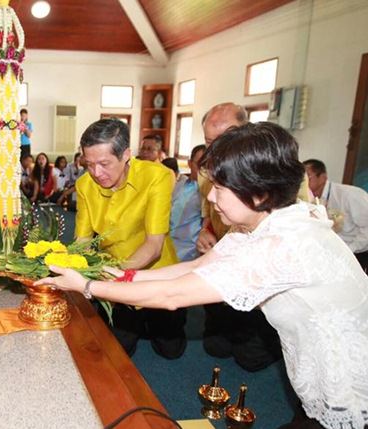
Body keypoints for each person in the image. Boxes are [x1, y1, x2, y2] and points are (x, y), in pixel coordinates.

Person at [39, 122, 368, 429]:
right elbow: (195, 267)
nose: (209, 197)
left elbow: (173, 296)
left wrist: (87, 285)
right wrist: (117, 275)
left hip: (349, 379)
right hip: (318, 365)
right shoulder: (266, 224)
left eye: (221, 188)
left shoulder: (282, 245)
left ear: (259, 193)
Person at [75, 118, 185, 359]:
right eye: (89, 164)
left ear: (126, 154)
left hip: (155, 271)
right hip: (114, 272)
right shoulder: (84, 185)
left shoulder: (156, 176)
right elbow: (83, 241)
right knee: (116, 350)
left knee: (170, 351)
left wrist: (113, 276)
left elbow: (154, 246)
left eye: (104, 163)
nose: (96, 173)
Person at [195, 102, 284, 371]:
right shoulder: (206, 172)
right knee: (215, 346)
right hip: (225, 254)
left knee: (251, 359)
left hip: (262, 268)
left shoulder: (276, 171)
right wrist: (205, 231)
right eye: (210, 142)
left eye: (225, 140)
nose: (217, 150)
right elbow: (209, 214)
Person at [304, 159, 368, 272]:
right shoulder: (309, 199)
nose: (304, 182)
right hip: (332, 251)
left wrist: (350, 250)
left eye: (308, 177)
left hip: (356, 252)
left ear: (322, 177)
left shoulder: (350, 195)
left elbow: (366, 228)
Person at [169, 145, 205, 263]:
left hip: (188, 253)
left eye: (206, 165)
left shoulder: (208, 193)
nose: (202, 169)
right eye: (198, 164)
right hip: (166, 245)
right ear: (189, 163)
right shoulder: (179, 184)